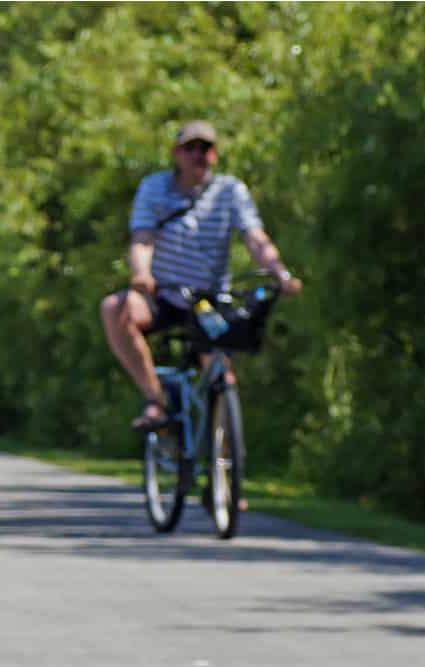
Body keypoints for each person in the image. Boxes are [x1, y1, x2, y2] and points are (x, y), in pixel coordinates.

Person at [100, 120, 304, 436]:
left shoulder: (231, 191)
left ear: (215, 154)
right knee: (115, 309)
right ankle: (156, 400)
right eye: (190, 148)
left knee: (222, 373)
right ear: (176, 153)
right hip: (163, 294)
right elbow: (142, 237)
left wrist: (282, 274)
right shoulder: (154, 187)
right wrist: (141, 273)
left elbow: (255, 239)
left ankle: (223, 458)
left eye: (204, 148)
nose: (197, 154)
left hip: (207, 302)